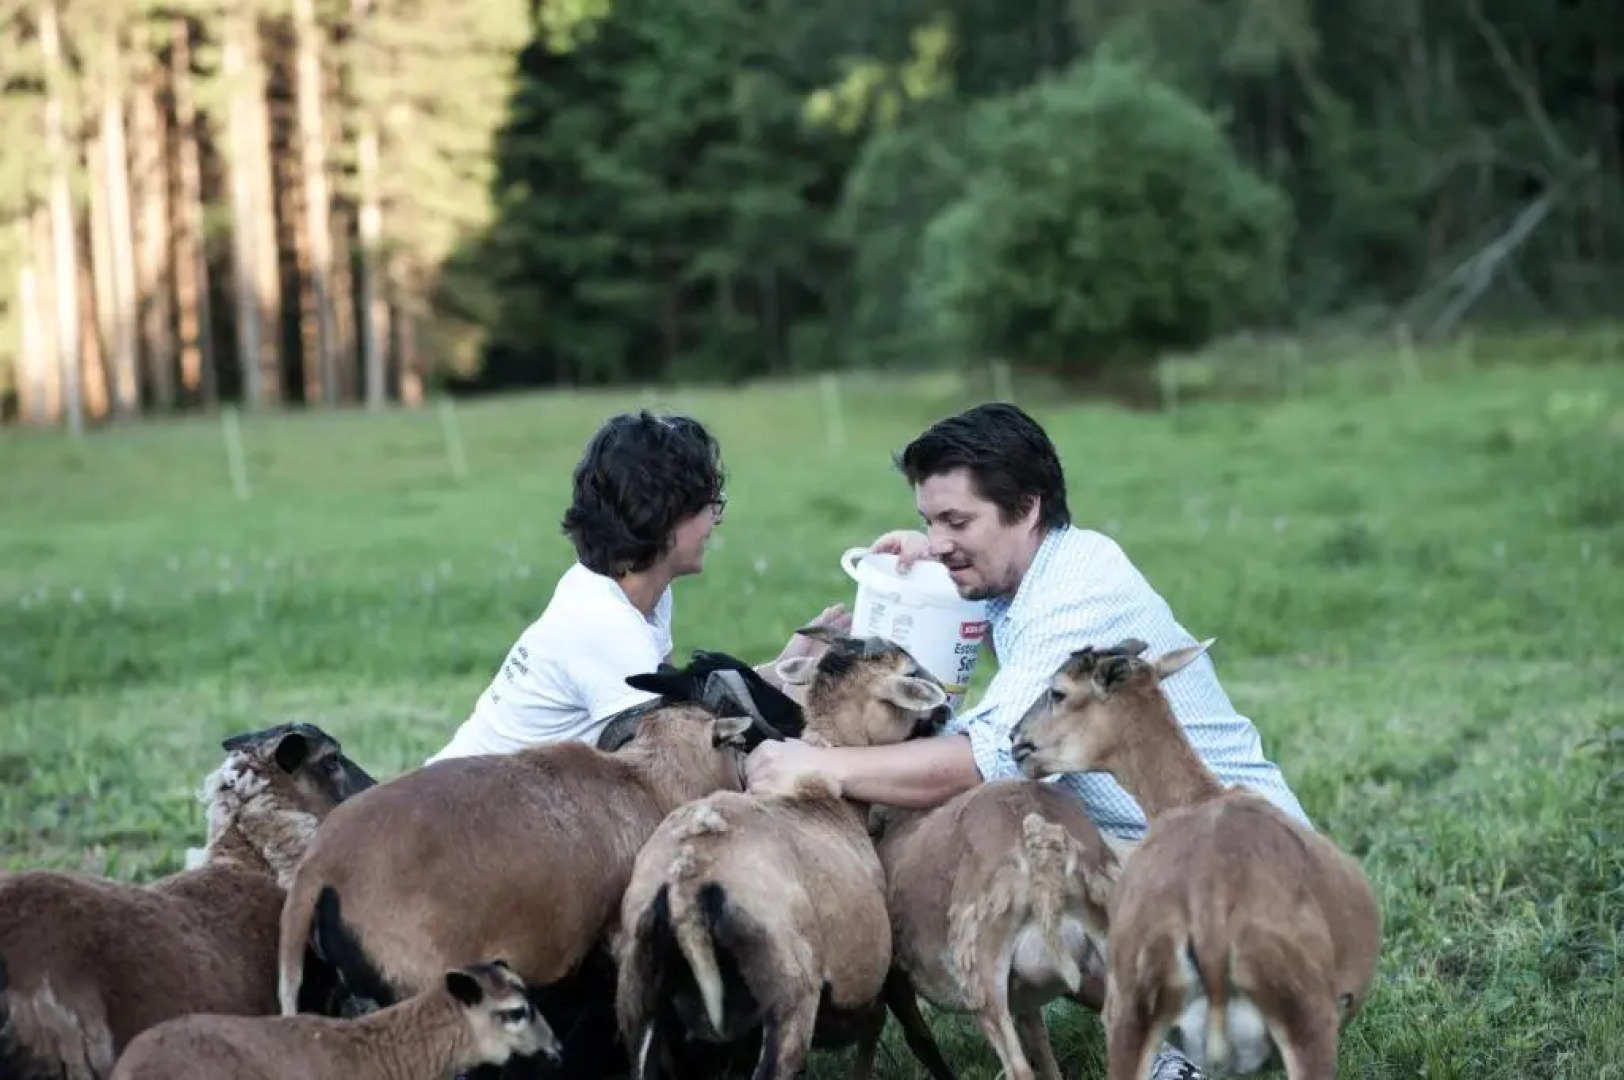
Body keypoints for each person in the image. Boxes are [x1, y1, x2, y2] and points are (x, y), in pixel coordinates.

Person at [742, 401, 1310, 1080]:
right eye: (929, 520)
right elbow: (970, 604)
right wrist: (933, 559)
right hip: (1175, 849)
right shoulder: (1040, 568)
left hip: (1243, 879)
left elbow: (982, 761)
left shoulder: (1076, 598)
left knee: (1015, 850)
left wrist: (822, 766)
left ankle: (1193, 1031)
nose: (938, 539)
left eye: (956, 521)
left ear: (1027, 507)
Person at [428, 410, 848, 763]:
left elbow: (678, 707)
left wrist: (780, 670)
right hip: (465, 818)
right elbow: (677, 765)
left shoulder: (630, 593)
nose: (714, 521)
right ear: (664, 517)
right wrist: (795, 698)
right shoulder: (606, 625)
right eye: (707, 506)